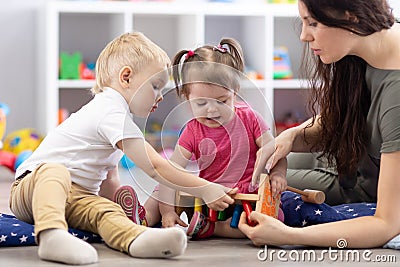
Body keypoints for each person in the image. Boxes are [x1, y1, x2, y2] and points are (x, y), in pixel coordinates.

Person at [9, 32, 237, 265]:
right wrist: (204, 189)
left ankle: (136, 239)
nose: (160, 97)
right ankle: (51, 235)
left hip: (75, 197)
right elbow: (155, 166)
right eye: (156, 86)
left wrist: (120, 207)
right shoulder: (109, 110)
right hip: (32, 188)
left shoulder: (118, 119)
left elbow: (109, 178)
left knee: (106, 212)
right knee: (54, 171)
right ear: (126, 77)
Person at [239, 0, 400, 248]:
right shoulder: (364, 46)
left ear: (351, 17)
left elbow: (386, 224)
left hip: (363, 185)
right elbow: (343, 118)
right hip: (350, 160)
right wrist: (291, 136)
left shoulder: (396, 93)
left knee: (246, 184)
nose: (304, 36)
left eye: (312, 23)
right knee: (248, 167)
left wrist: (286, 236)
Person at [115, 38, 287, 239]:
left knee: (273, 220)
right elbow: (170, 174)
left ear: (235, 92)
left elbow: (276, 151)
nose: (212, 109)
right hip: (209, 198)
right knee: (161, 189)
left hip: (247, 197)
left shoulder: (250, 118)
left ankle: (212, 228)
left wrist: (279, 174)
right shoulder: (193, 131)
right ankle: (143, 219)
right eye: (201, 103)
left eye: (222, 101)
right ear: (186, 99)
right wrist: (168, 211)